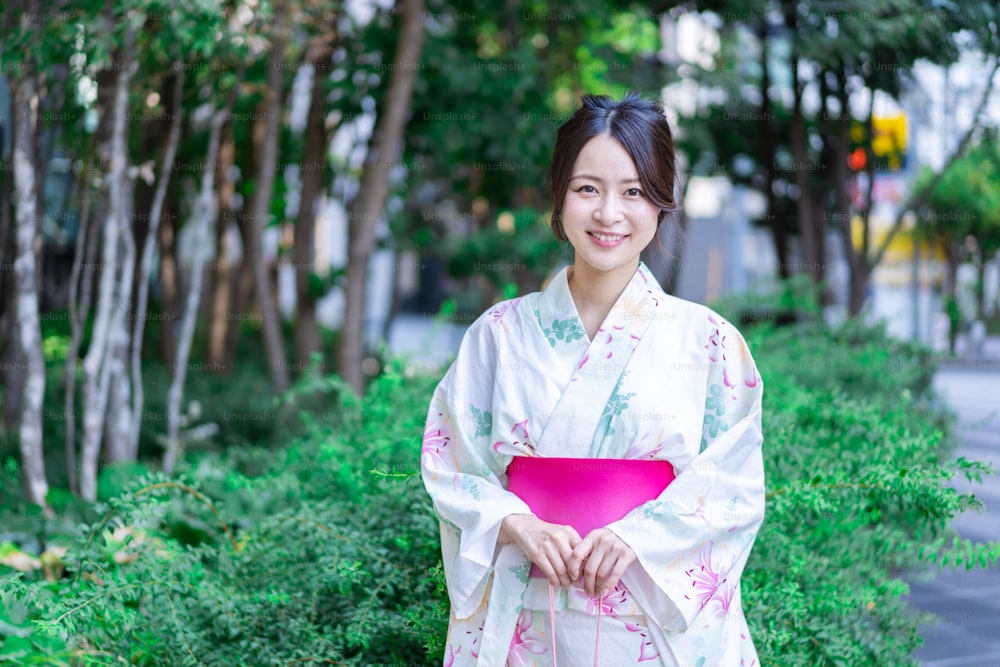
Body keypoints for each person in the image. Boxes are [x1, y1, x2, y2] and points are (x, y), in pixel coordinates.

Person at [420, 92, 765, 667]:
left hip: (653, 621)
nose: (609, 213)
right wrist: (514, 521)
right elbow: (451, 466)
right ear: (559, 198)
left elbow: (733, 488)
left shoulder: (708, 342)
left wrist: (639, 536)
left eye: (633, 191)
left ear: (661, 203)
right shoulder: (499, 335)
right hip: (524, 616)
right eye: (587, 189)